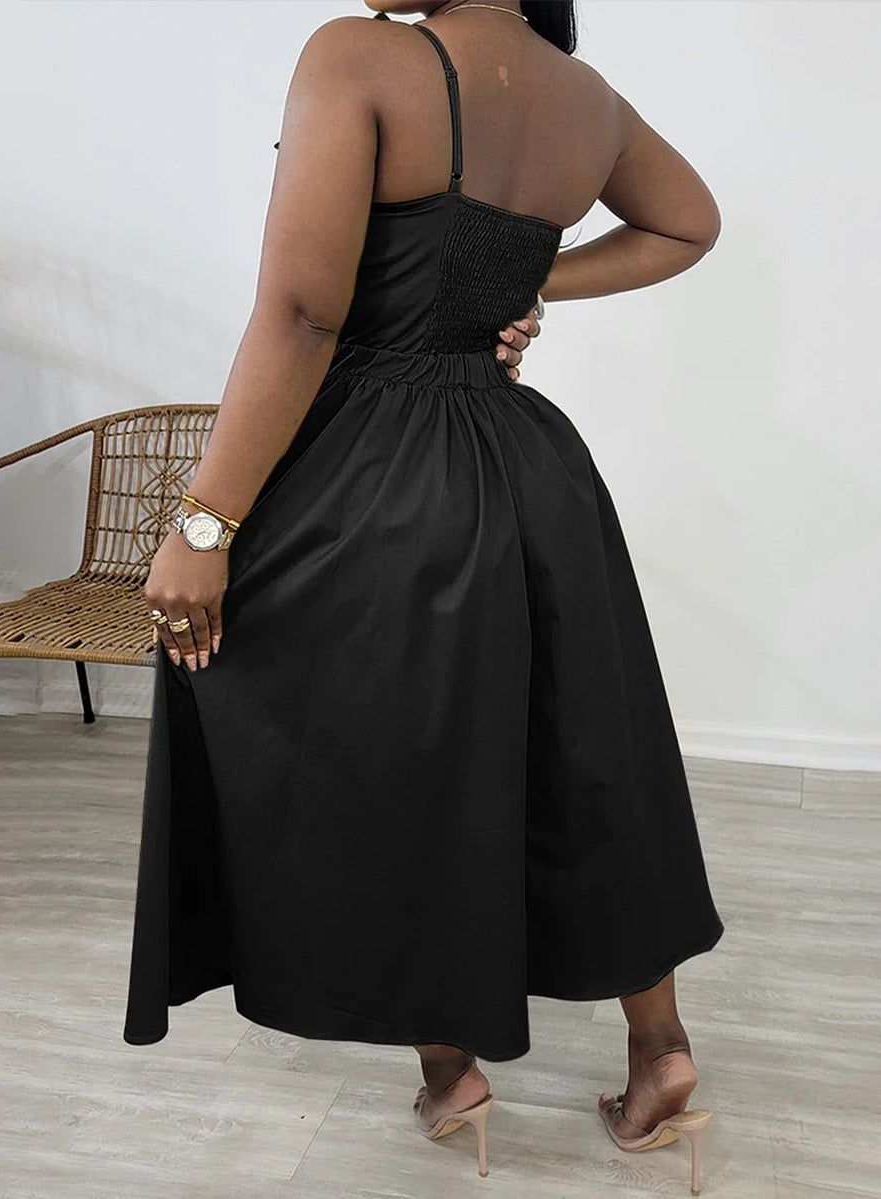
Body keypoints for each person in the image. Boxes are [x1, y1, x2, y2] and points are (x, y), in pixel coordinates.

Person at [123, 1, 724, 1191]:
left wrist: (204, 522)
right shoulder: (585, 97)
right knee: (584, 754)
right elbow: (688, 222)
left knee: (373, 747)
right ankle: (661, 1052)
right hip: (532, 471)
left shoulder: (359, 56)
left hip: (377, 470)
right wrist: (530, 286)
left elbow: (304, 313)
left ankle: (451, 1069)